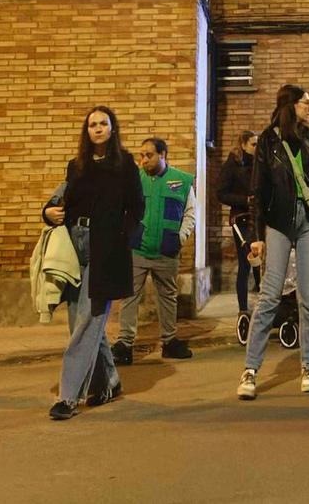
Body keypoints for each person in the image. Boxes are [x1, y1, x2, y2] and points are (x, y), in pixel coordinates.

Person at [237, 84, 309, 401]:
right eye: (306, 102)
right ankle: (250, 371)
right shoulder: (268, 141)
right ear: (290, 105)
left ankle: (308, 367)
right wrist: (256, 237)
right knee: (269, 296)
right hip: (279, 222)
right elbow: (257, 191)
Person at [41, 106, 143, 421]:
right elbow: (60, 198)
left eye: (103, 123)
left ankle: (69, 396)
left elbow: (137, 207)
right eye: (92, 125)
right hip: (76, 246)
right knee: (82, 324)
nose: (97, 129)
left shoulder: (124, 164)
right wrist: (48, 211)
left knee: (87, 322)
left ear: (112, 129)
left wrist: (120, 241)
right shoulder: (77, 166)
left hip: (106, 250)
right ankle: (108, 381)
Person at [113, 136, 194, 364]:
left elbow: (190, 212)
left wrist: (180, 237)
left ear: (163, 155)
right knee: (129, 296)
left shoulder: (181, 181)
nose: (143, 160)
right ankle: (125, 345)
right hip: (137, 248)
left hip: (167, 250)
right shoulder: (134, 180)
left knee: (168, 296)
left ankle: (170, 342)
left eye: (149, 155)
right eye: (141, 155)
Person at [216, 130, 258, 316]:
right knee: (246, 261)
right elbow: (221, 193)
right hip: (241, 219)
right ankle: (243, 308)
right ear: (243, 144)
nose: (256, 149)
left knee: (261, 261)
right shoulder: (233, 164)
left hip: (260, 218)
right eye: (253, 145)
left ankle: (263, 300)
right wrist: (245, 200)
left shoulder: (260, 164)